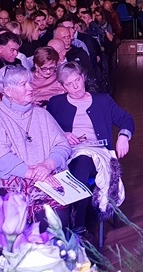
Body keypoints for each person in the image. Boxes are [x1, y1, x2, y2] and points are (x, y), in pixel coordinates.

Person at [0, 66, 72, 222]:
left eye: (30, 83)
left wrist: (47, 165)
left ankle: (58, 246)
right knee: (19, 215)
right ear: (8, 91)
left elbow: (62, 145)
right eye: (23, 85)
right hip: (5, 182)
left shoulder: (42, 114)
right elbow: (1, 159)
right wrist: (36, 174)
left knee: (57, 213)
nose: (30, 88)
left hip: (45, 175)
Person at [46, 62, 134, 229]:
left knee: (85, 161)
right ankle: (78, 223)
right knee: (82, 162)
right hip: (68, 154)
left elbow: (126, 119)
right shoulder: (56, 103)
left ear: (83, 77)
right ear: (62, 86)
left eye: (77, 80)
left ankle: (77, 225)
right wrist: (62, 134)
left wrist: (123, 136)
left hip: (98, 153)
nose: (76, 86)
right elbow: (45, 129)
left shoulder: (103, 100)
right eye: (69, 84)